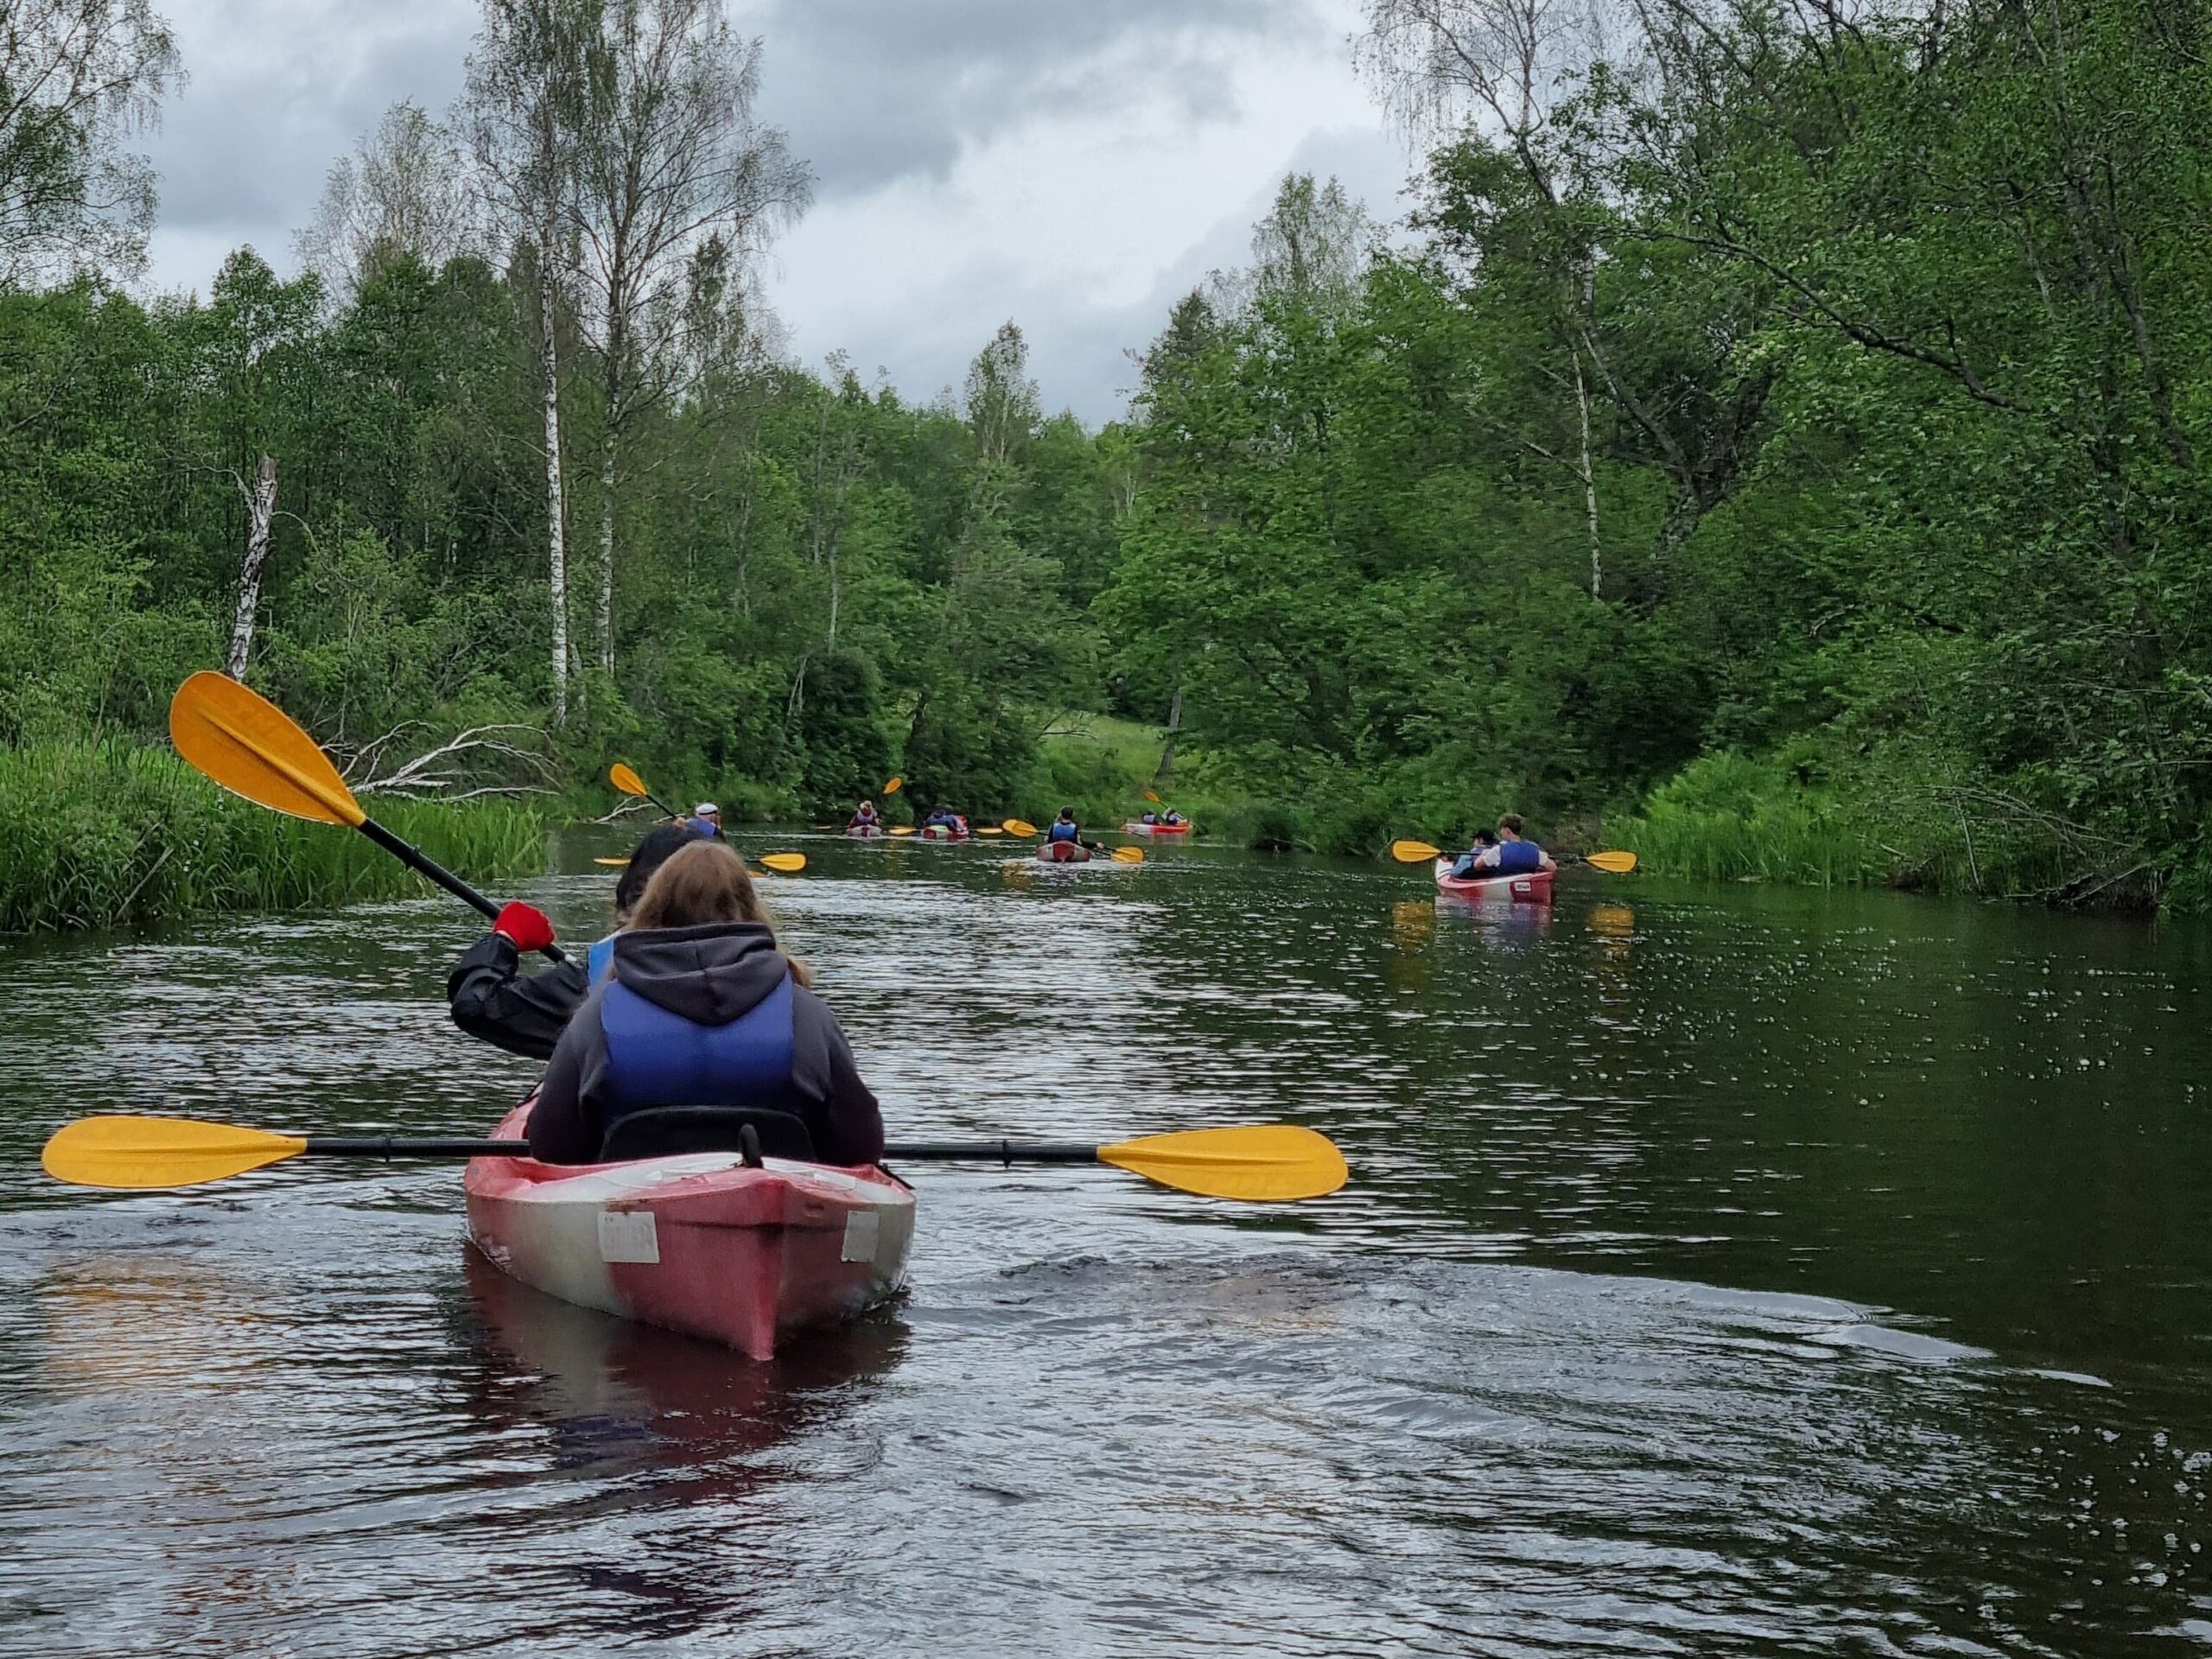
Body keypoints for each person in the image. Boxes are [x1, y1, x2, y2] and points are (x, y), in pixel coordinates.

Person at [524, 839, 886, 1167]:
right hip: (778, 1199)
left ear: (653, 909)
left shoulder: (597, 1014)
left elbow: (551, 1146)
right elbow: (860, 1146)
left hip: (627, 1209)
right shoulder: (807, 1014)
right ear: (750, 911)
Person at [446, 823, 700, 1060]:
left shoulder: (590, 984)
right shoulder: (740, 977)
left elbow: (475, 1005)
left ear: (632, 896)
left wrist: (504, 939)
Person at [1473, 814, 1557, 877]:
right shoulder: (1535, 850)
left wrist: (1484, 854)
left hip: (1504, 883)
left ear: (1507, 830)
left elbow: (1477, 866)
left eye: (1502, 830)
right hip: (1528, 881)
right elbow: (1553, 868)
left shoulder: (1498, 850)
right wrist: (1539, 870)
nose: (1501, 833)